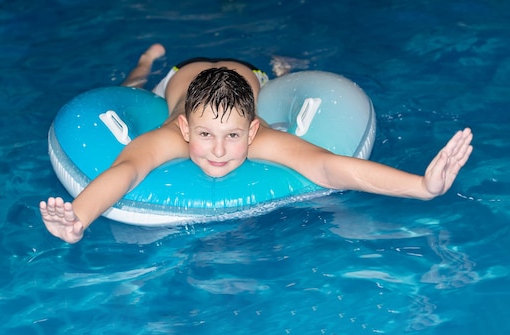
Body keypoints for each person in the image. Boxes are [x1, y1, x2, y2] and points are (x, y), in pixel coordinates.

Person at [40, 43, 473, 244]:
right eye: (206, 135)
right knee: (134, 89)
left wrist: (422, 186)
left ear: (252, 132)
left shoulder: (260, 133)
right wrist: (78, 220)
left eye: (233, 137)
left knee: (277, 83)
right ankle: (146, 62)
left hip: (248, 77)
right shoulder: (169, 133)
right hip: (180, 75)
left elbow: (327, 166)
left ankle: (282, 72)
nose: (218, 150)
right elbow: (125, 170)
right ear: (187, 130)